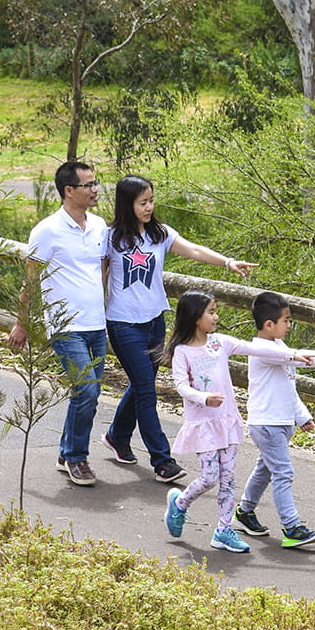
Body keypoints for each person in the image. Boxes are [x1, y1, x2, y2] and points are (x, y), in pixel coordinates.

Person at [101, 174, 256, 486]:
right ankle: (162, 460)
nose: (149, 207)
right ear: (126, 204)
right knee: (146, 387)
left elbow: (195, 250)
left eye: (151, 201)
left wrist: (228, 263)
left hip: (155, 320)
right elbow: (100, 276)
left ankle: (117, 436)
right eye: (142, 202)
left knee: (141, 382)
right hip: (122, 323)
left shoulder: (159, 234)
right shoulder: (110, 237)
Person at [160, 291, 315, 553]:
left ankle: (223, 530)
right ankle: (180, 503)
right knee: (210, 478)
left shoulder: (220, 342)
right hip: (204, 424)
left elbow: (256, 348)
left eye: (215, 310)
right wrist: (204, 397)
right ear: (195, 317)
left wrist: (294, 355)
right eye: (211, 312)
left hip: (227, 421)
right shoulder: (182, 352)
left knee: (229, 478)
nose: (216, 316)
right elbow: (180, 386)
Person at [234, 290, 315, 548]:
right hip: (267, 425)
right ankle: (292, 527)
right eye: (286, 321)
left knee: (265, 470)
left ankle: (244, 512)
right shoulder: (260, 350)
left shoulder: (280, 348)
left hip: (279, 423)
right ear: (269, 325)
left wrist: (302, 417)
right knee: (283, 472)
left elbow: (288, 387)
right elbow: (296, 357)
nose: (290, 325)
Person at [9, 161, 109, 486]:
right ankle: (77, 459)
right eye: (88, 185)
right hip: (65, 326)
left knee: (85, 394)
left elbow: (103, 270)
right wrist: (21, 324)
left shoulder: (99, 226)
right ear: (69, 190)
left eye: (96, 183)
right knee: (88, 391)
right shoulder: (47, 230)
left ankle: (66, 452)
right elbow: (30, 282)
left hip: (96, 324)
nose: (95, 190)